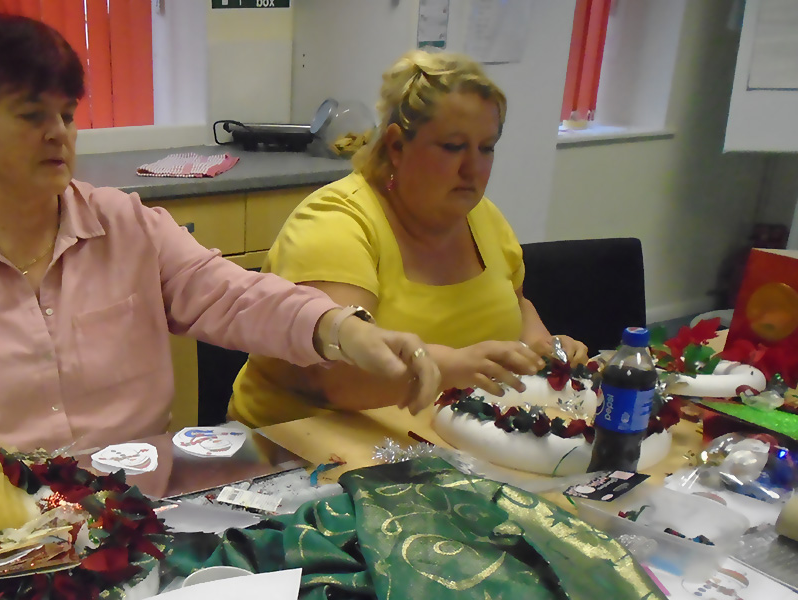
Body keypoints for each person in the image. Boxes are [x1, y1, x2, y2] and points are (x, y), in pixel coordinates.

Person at [0, 15, 441, 477]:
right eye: (30, 114)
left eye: (67, 114)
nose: (58, 134)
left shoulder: (127, 226)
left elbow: (237, 297)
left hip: (139, 503)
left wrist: (345, 329)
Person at [229, 50, 587, 429]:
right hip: (301, 451)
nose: (473, 168)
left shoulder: (485, 219)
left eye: (486, 148)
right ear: (397, 146)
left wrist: (542, 349)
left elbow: (514, 302)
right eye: (452, 147)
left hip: (438, 442)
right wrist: (453, 367)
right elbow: (334, 375)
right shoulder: (335, 223)